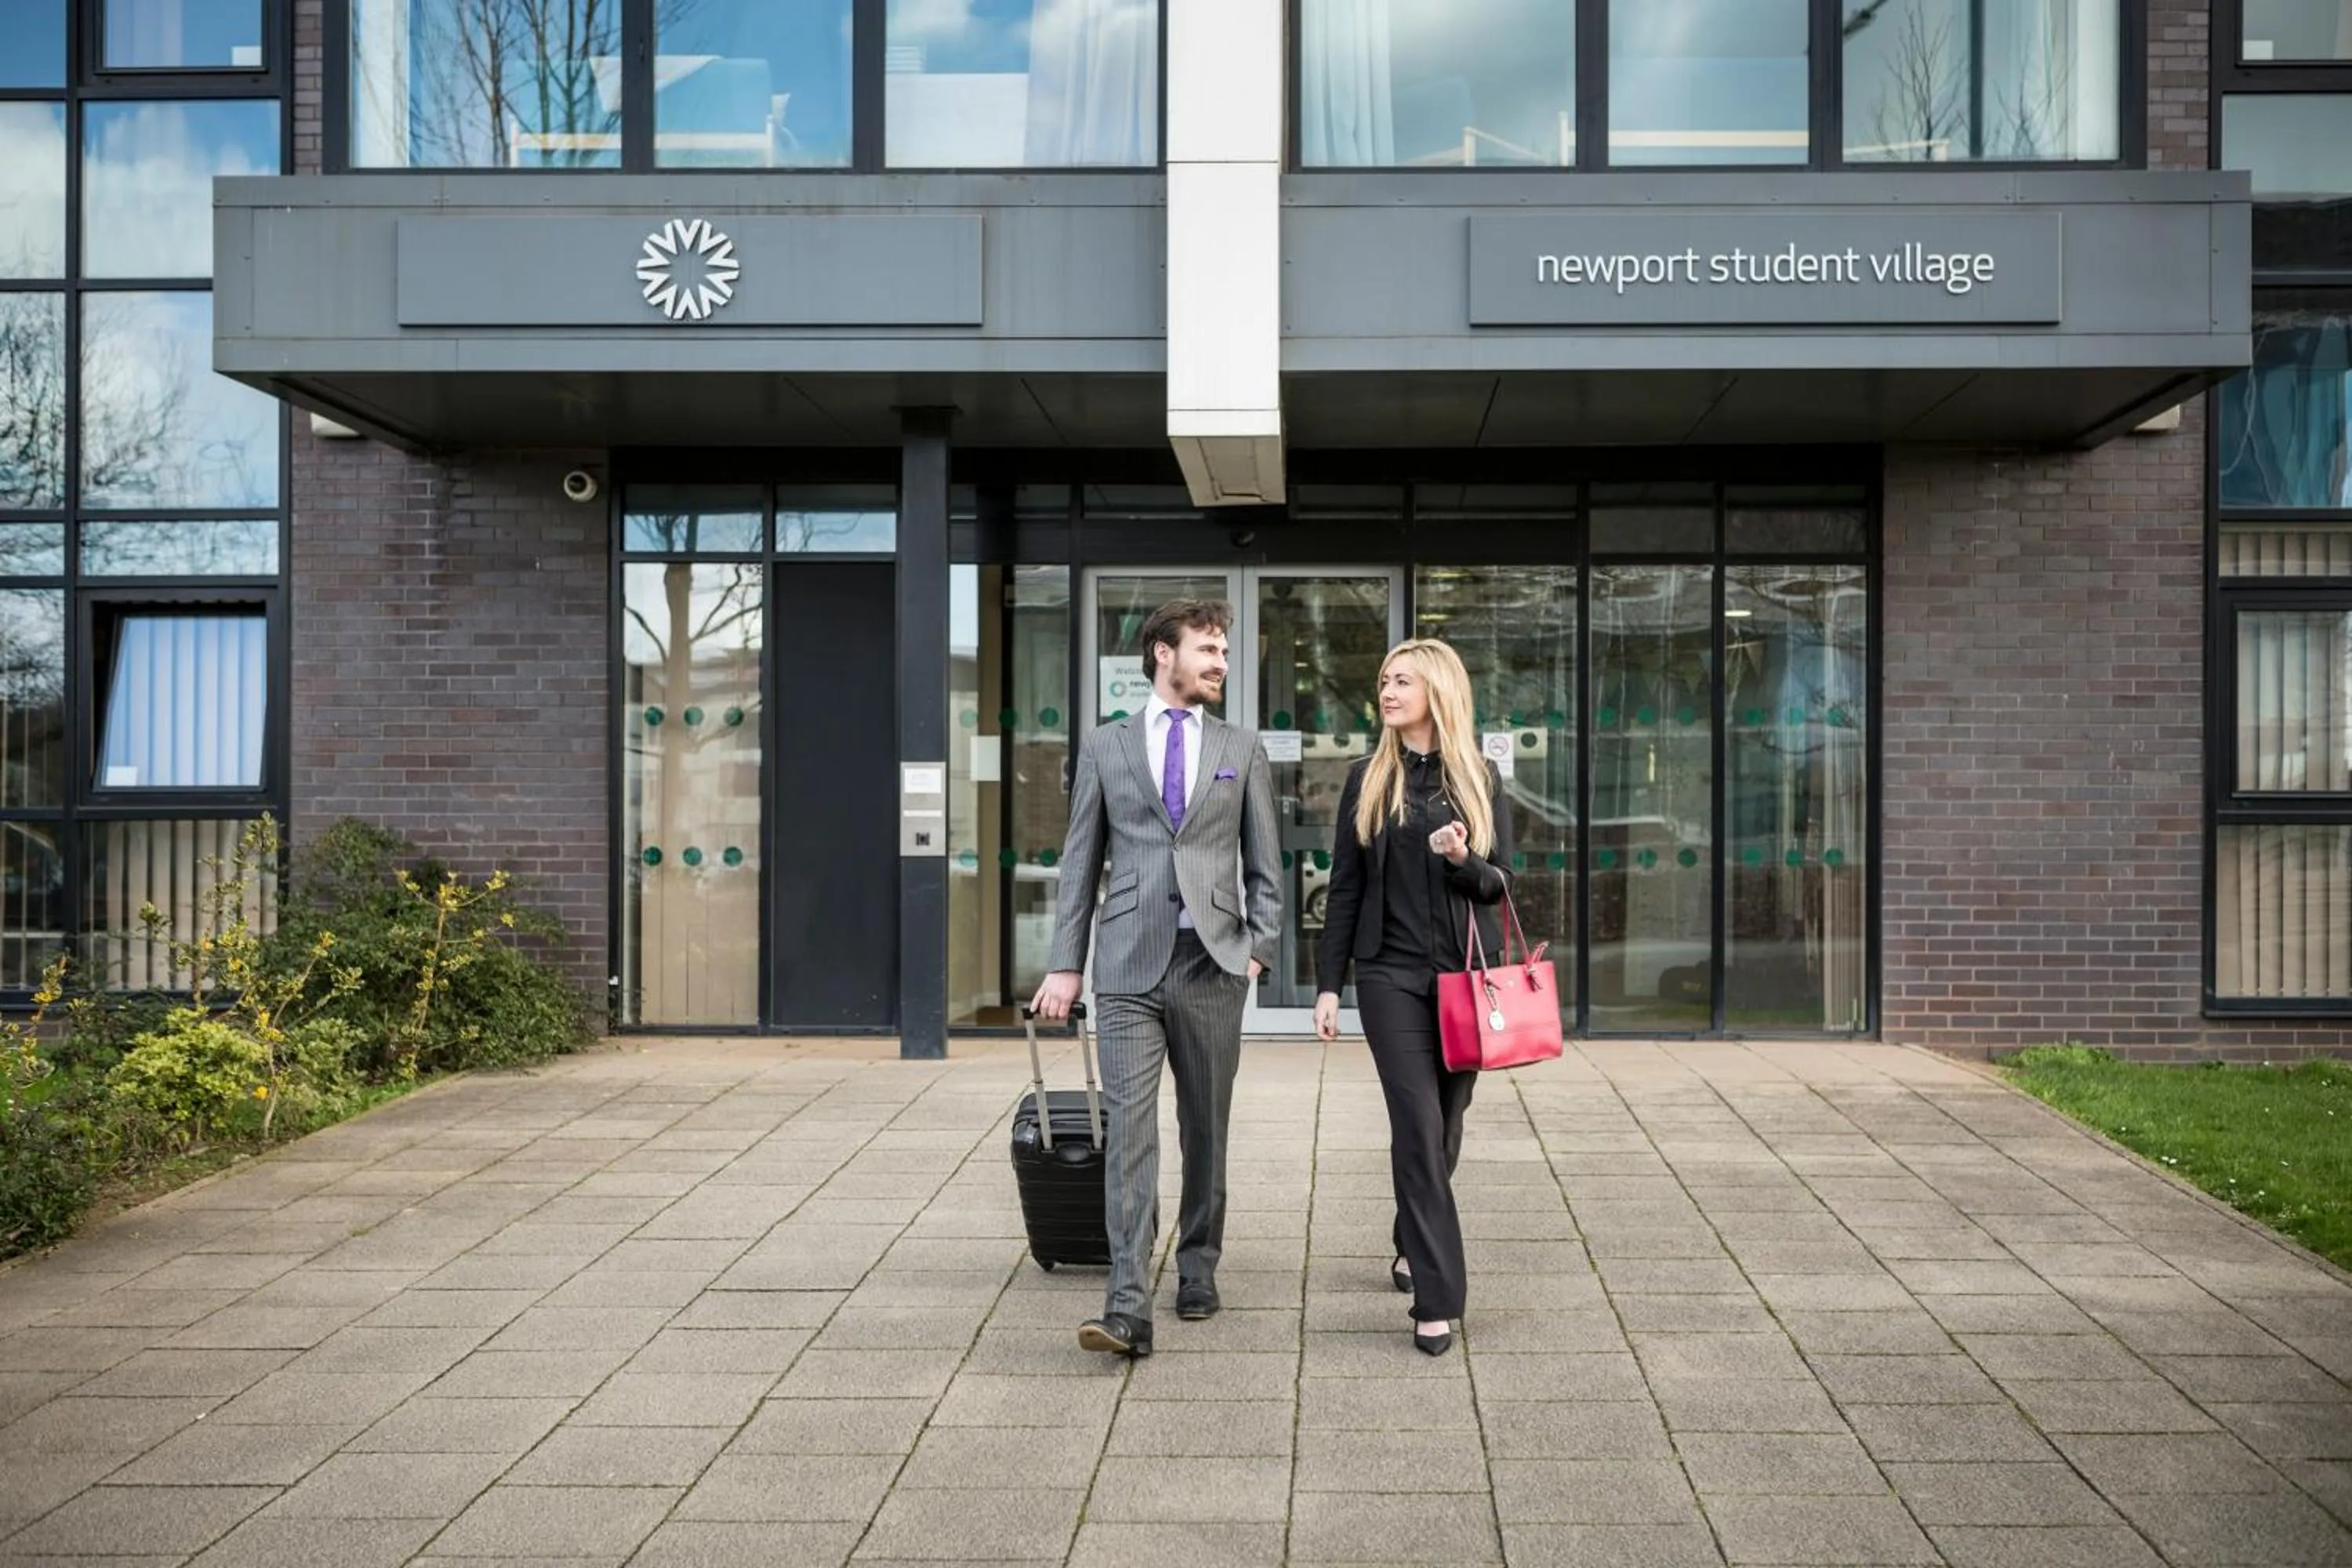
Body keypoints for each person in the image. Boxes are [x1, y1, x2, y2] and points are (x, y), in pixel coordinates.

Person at [1033, 598, 1283, 1359]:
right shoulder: (1107, 746)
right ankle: (1126, 1302)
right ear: (1162, 654)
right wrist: (1066, 963)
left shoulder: (1241, 745)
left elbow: (1267, 864)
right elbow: (1082, 859)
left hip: (1212, 964)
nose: (1221, 663)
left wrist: (1258, 947)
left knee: (1205, 1127)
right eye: (1208, 649)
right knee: (1130, 1134)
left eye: (1225, 652)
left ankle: (1199, 1262)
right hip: (1129, 964)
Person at [1312, 638, 1514, 1356]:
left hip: (1463, 982)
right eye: (1383, 680)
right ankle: (1437, 1298)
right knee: (1417, 1126)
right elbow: (1344, 888)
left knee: (1448, 1123)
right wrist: (1330, 986)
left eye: (1402, 681)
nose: (1387, 692)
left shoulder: (1479, 778)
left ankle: (1409, 1237)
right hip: (1389, 979)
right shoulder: (1368, 779)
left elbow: (1500, 886)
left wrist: (1463, 859)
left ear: (1438, 691)